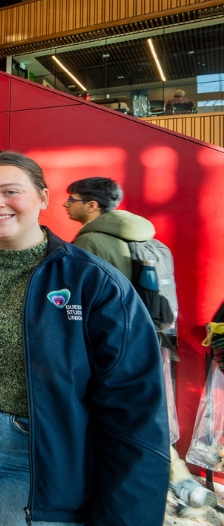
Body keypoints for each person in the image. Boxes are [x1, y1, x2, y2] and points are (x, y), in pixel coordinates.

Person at [0, 151, 169, 526]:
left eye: (10, 191)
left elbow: (133, 403)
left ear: (43, 197)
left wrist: (125, 513)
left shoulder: (92, 282)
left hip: (38, 455)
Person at [64, 176, 209, 512]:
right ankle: (180, 487)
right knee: (148, 414)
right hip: (155, 343)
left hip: (110, 348)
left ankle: (162, 488)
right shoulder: (151, 240)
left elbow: (79, 304)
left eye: (71, 198)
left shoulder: (91, 243)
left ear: (92, 206)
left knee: (116, 420)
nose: (65, 204)